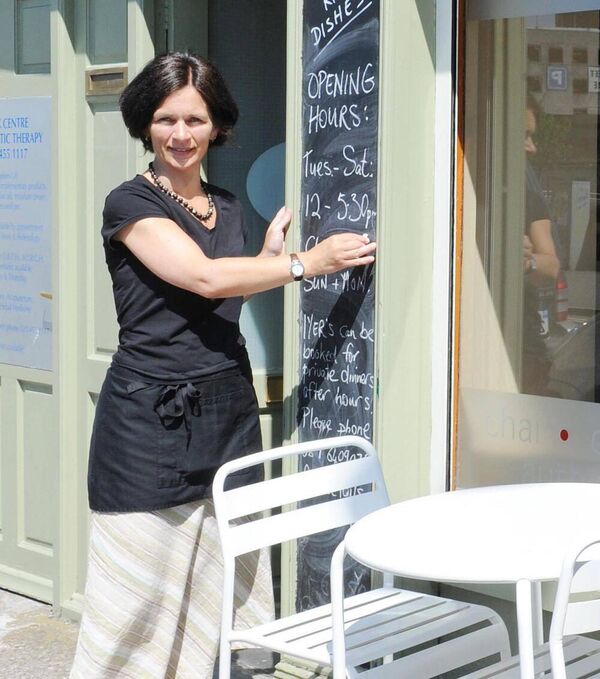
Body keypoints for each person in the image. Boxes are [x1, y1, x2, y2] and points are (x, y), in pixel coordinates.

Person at [70, 52, 376, 678]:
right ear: (144, 125)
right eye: (165, 120)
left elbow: (222, 293)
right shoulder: (128, 204)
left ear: (217, 126)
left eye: (194, 120)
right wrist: (301, 265)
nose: (180, 135)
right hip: (147, 424)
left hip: (228, 413)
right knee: (137, 601)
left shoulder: (229, 208)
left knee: (229, 580)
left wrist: (264, 259)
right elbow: (204, 276)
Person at [521, 97, 562, 394]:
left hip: (522, 339)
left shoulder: (529, 197)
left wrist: (527, 261)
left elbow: (551, 264)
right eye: (525, 135)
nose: (532, 147)